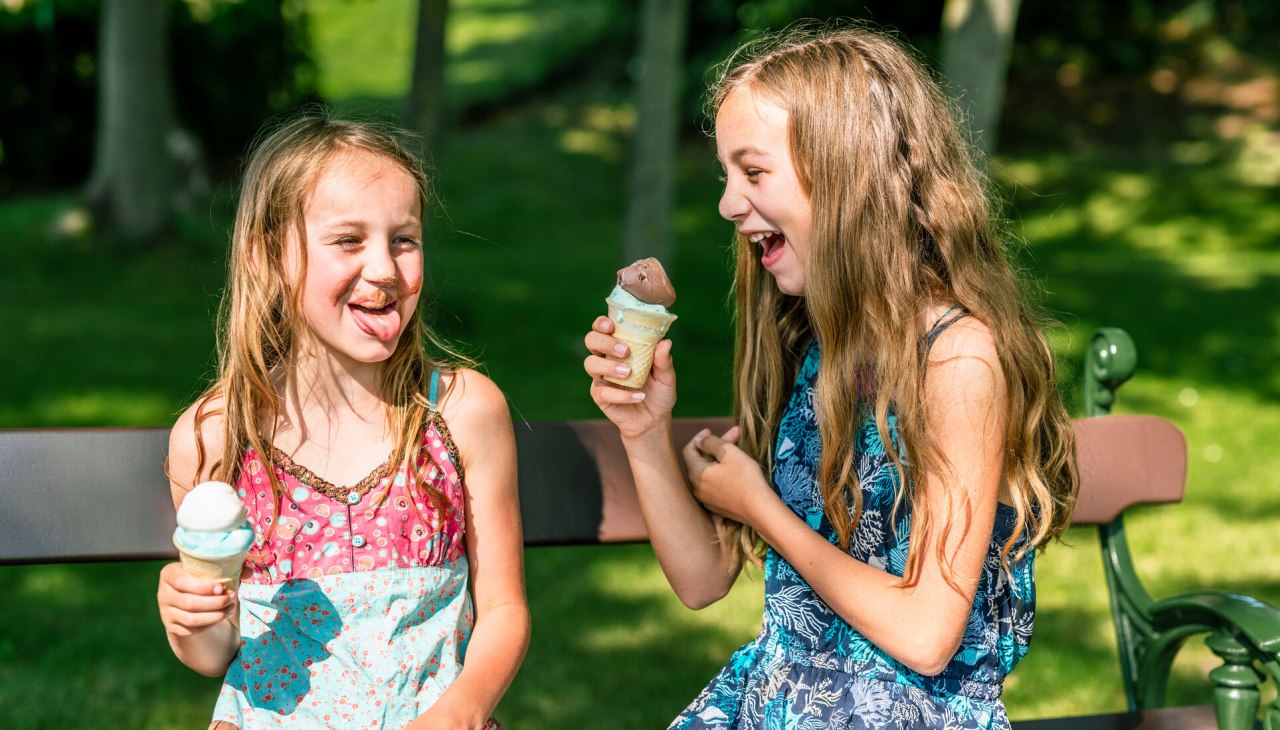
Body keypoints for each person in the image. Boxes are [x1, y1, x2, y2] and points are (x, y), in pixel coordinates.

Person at [583, 25, 1077, 730]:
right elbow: (700, 581)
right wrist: (642, 429)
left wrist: (764, 512)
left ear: (849, 175)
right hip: (779, 698)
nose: (727, 203)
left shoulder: (958, 361)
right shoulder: (812, 343)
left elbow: (927, 636)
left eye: (753, 173)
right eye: (727, 175)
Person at [157, 111, 529, 730]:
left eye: (403, 239)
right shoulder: (217, 436)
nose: (384, 269)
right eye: (349, 240)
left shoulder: (462, 412)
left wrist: (461, 711)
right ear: (268, 258)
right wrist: (191, 624)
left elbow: (503, 607)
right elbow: (220, 653)